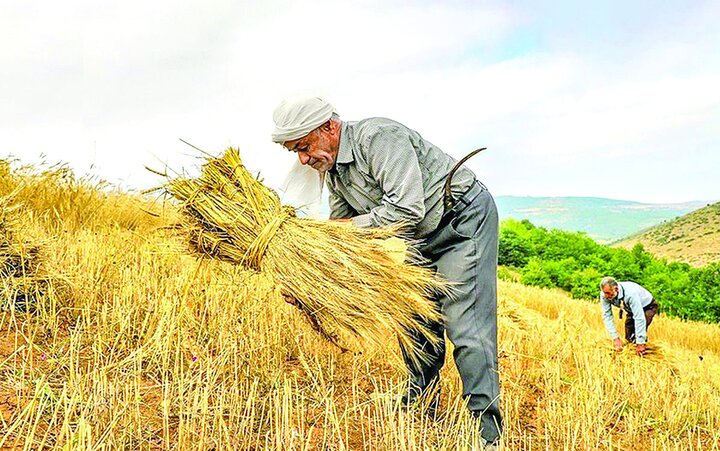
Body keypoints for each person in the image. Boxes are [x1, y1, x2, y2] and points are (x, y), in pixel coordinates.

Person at [271, 96, 502, 445]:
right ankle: (418, 405)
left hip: (460, 221)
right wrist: (309, 276)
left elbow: (406, 208)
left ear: (329, 128)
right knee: (414, 321)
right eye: (295, 152)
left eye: (304, 147)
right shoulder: (334, 172)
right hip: (418, 235)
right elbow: (343, 234)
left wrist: (342, 230)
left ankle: (487, 431)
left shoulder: (379, 138)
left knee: (465, 325)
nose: (304, 159)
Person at [599, 277, 659, 356]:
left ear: (616, 289)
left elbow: (639, 318)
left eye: (608, 293)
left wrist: (640, 343)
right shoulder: (604, 295)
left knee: (636, 334)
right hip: (630, 309)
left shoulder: (630, 294)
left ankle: (643, 353)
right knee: (629, 337)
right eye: (604, 293)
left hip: (648, 306)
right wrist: (615, 338)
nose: (606, 296)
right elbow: (607, 316)